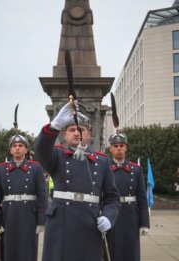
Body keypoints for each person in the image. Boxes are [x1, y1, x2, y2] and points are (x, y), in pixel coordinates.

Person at [34, 102, 120, 261]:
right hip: (61, 224)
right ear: (65, 135)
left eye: (81, 129)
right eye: (71, 130)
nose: (76, 133)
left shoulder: (102, 161)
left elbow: (112, 197)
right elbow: (40, 150)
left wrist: (108, 217)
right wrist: (54, 125)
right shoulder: (57, 155)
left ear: (89, 134)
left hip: (89, 223)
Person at [0, 134, 48, 261]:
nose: (17, 148)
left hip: (29, 215)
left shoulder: (36, 168)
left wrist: (41, 221)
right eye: (14, 146)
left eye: (21, 145)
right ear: (10, 150)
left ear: (26, 149)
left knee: (27, 250)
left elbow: (42, 196)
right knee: (8, 249)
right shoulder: (1, 169)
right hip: (8, 215)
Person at [107, 133, 150, 261]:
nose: (119, 148)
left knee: (130, 252)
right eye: (115, 146)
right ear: (110, 149)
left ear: (126, 148)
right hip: (110, 216)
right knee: (111, 252)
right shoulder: (104, 168)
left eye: (121, 145)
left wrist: (144, 223)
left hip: (130, 217)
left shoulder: (136, 170)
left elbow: (142, 198)